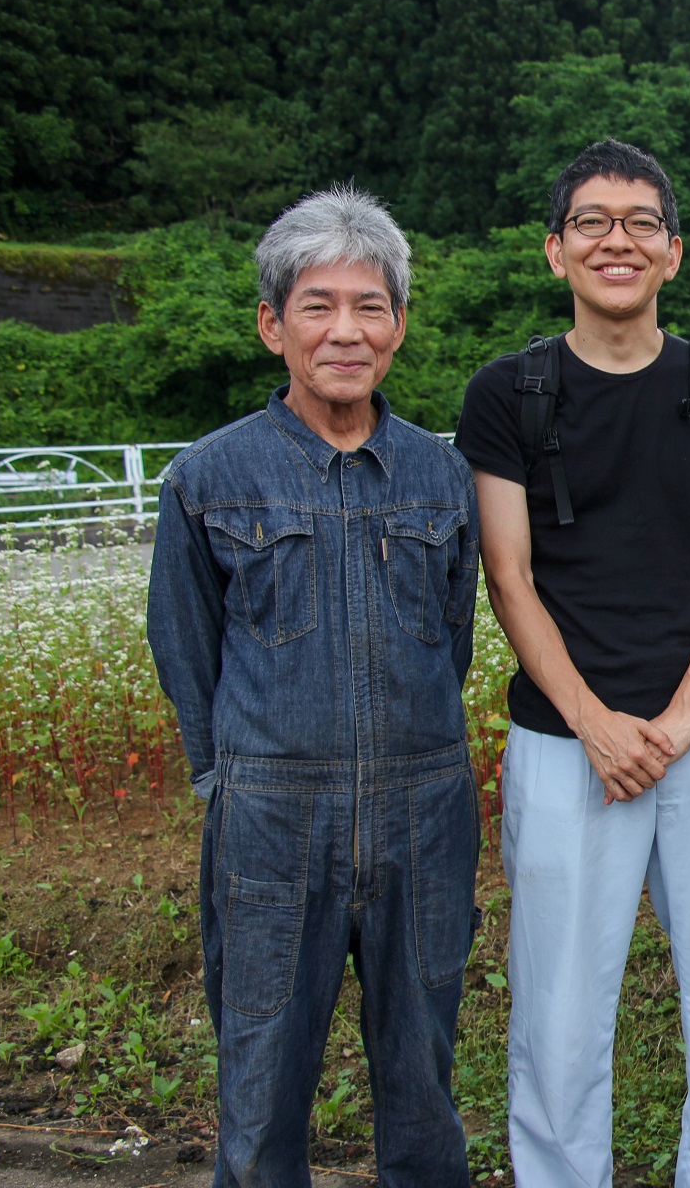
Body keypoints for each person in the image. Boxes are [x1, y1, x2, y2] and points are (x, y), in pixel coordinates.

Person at [454, 139, 690, 1188]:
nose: (618, 241)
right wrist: (596, 722)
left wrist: (680, 721)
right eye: (592, 222)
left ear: (674, 254)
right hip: (563, 745)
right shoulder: (507, 395)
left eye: (642, 223)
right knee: (555, 1019)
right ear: (556, 251)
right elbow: (509, 576)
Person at [147, 186, 481, 1187]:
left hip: (423, 813)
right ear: (272, 325)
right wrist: (229, 783)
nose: (346, 330)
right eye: (318, 306)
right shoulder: (207, 479)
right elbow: (186, 649)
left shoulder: (440, 477)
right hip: (268, 821)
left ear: (399, 324)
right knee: (260, 1087)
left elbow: (453, 642)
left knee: (423, 1085)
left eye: (369, 306)